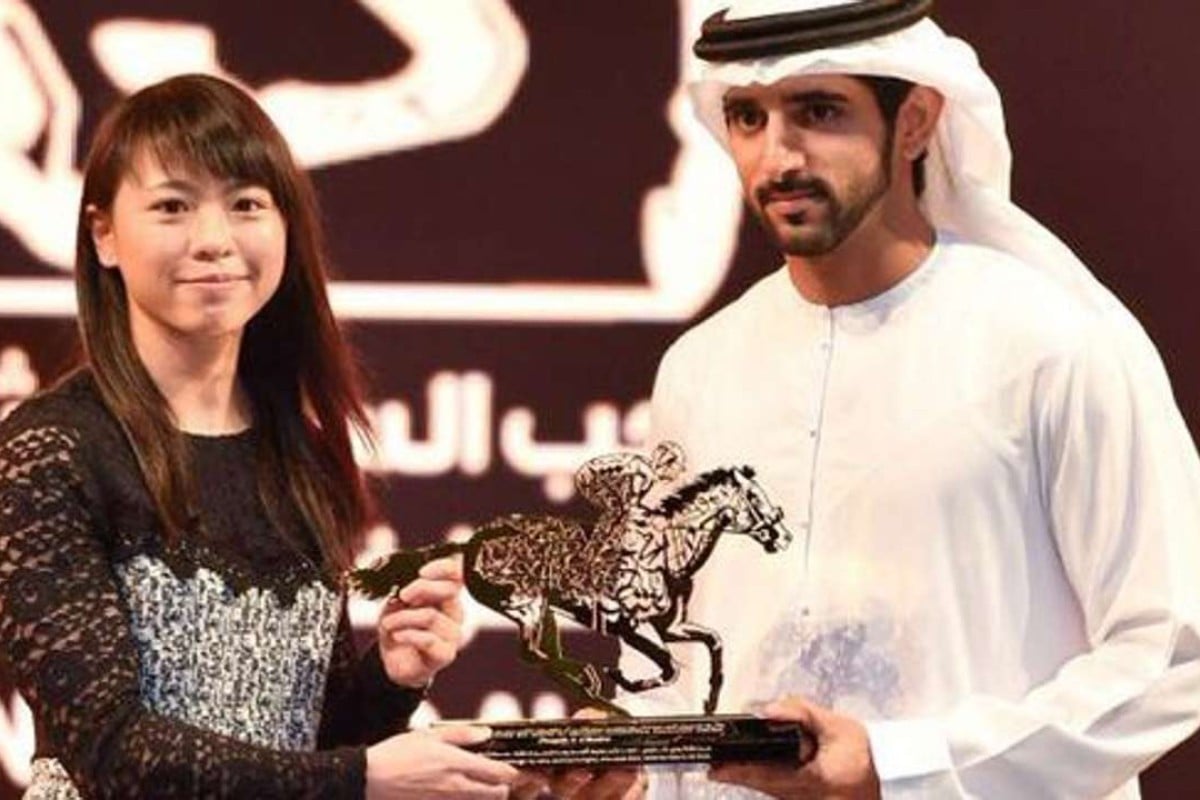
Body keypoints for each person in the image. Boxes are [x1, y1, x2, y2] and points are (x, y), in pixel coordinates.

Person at [618, 1, 1200, 798]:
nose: (777, 155)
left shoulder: (1049, 342)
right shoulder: (699, 367)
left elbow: (1172, 651)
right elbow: (685, 665)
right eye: (748, 117)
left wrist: (904, 767)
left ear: (916, 119)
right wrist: (635, 773)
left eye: (819, 112)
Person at [0, 73, 521, 798]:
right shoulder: (49, 451)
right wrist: (363, 776)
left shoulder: (299, 452)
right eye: (172, 207)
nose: (213, 240)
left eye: (246, 204)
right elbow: (112, 753)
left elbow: (305, 746)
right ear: (104, 234)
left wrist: (393, 676)